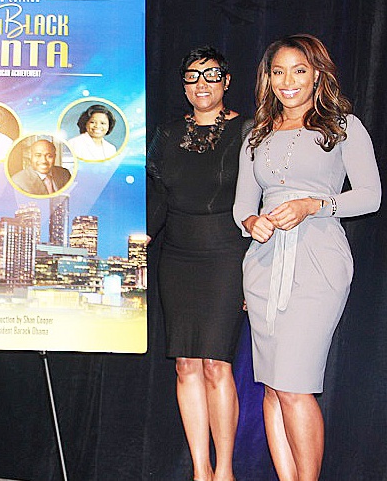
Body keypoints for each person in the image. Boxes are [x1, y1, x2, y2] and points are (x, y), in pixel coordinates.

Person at [233, 34, 380, 480]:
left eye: (298, 70)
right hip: (262, 265)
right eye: (277, 72)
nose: (287, 81)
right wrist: (250, 223)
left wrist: (315, 204)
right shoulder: (255, 132)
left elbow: (371, 196)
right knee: (273, 388)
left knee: (295, 386)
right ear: (267, 78)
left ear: (317, 72)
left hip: (318, 262)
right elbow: (242, 204)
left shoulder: (343, 126)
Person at [147, 46, 248, 481]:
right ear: (183, 85)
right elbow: (158, 201)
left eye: (210, 75)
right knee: (186, 364)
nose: (201, 84)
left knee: (216, 364)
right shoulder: (167, 135)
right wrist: (138, 239)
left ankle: (224, 470)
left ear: (227, 81)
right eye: (192, 77)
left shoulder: (249, 131)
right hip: (177, 258)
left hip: (227, 256)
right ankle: (199, 470)